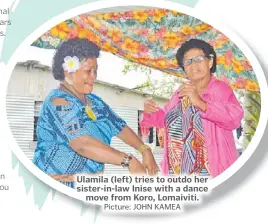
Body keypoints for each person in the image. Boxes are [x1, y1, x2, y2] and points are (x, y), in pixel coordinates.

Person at [33, 38, 158, 188]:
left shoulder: (95, 102)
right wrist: (128, 161)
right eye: (88, 71)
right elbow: (82, 144)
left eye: (95, 70)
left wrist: (144, 150)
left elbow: (120, 127)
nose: (94, 76)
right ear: (69, 71)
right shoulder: (58, 102)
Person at [141, 38, 244, 178]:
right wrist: (152, 112)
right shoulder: (180, 92)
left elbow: (234, 119)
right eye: (188, 61)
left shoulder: (220, 89)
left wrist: (200, 102)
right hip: (177, 172)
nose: (193, 64)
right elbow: (165, 119)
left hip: (211, 173)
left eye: (198, 59)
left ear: (210, 62)